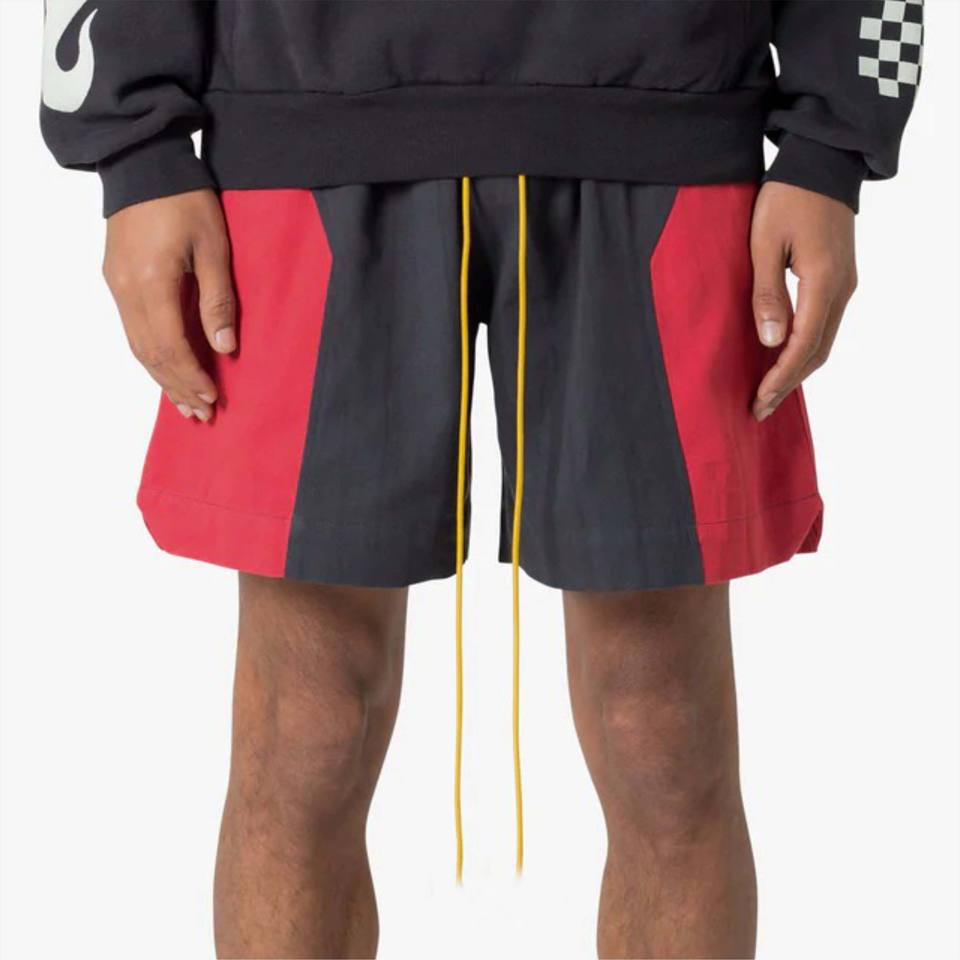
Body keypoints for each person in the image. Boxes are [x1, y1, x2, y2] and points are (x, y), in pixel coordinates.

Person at [41, 1, 920, 957]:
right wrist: (135, 148)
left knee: (660, 729)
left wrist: (831, 142)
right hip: (305, 114)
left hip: (668, 115)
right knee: (307, 723)